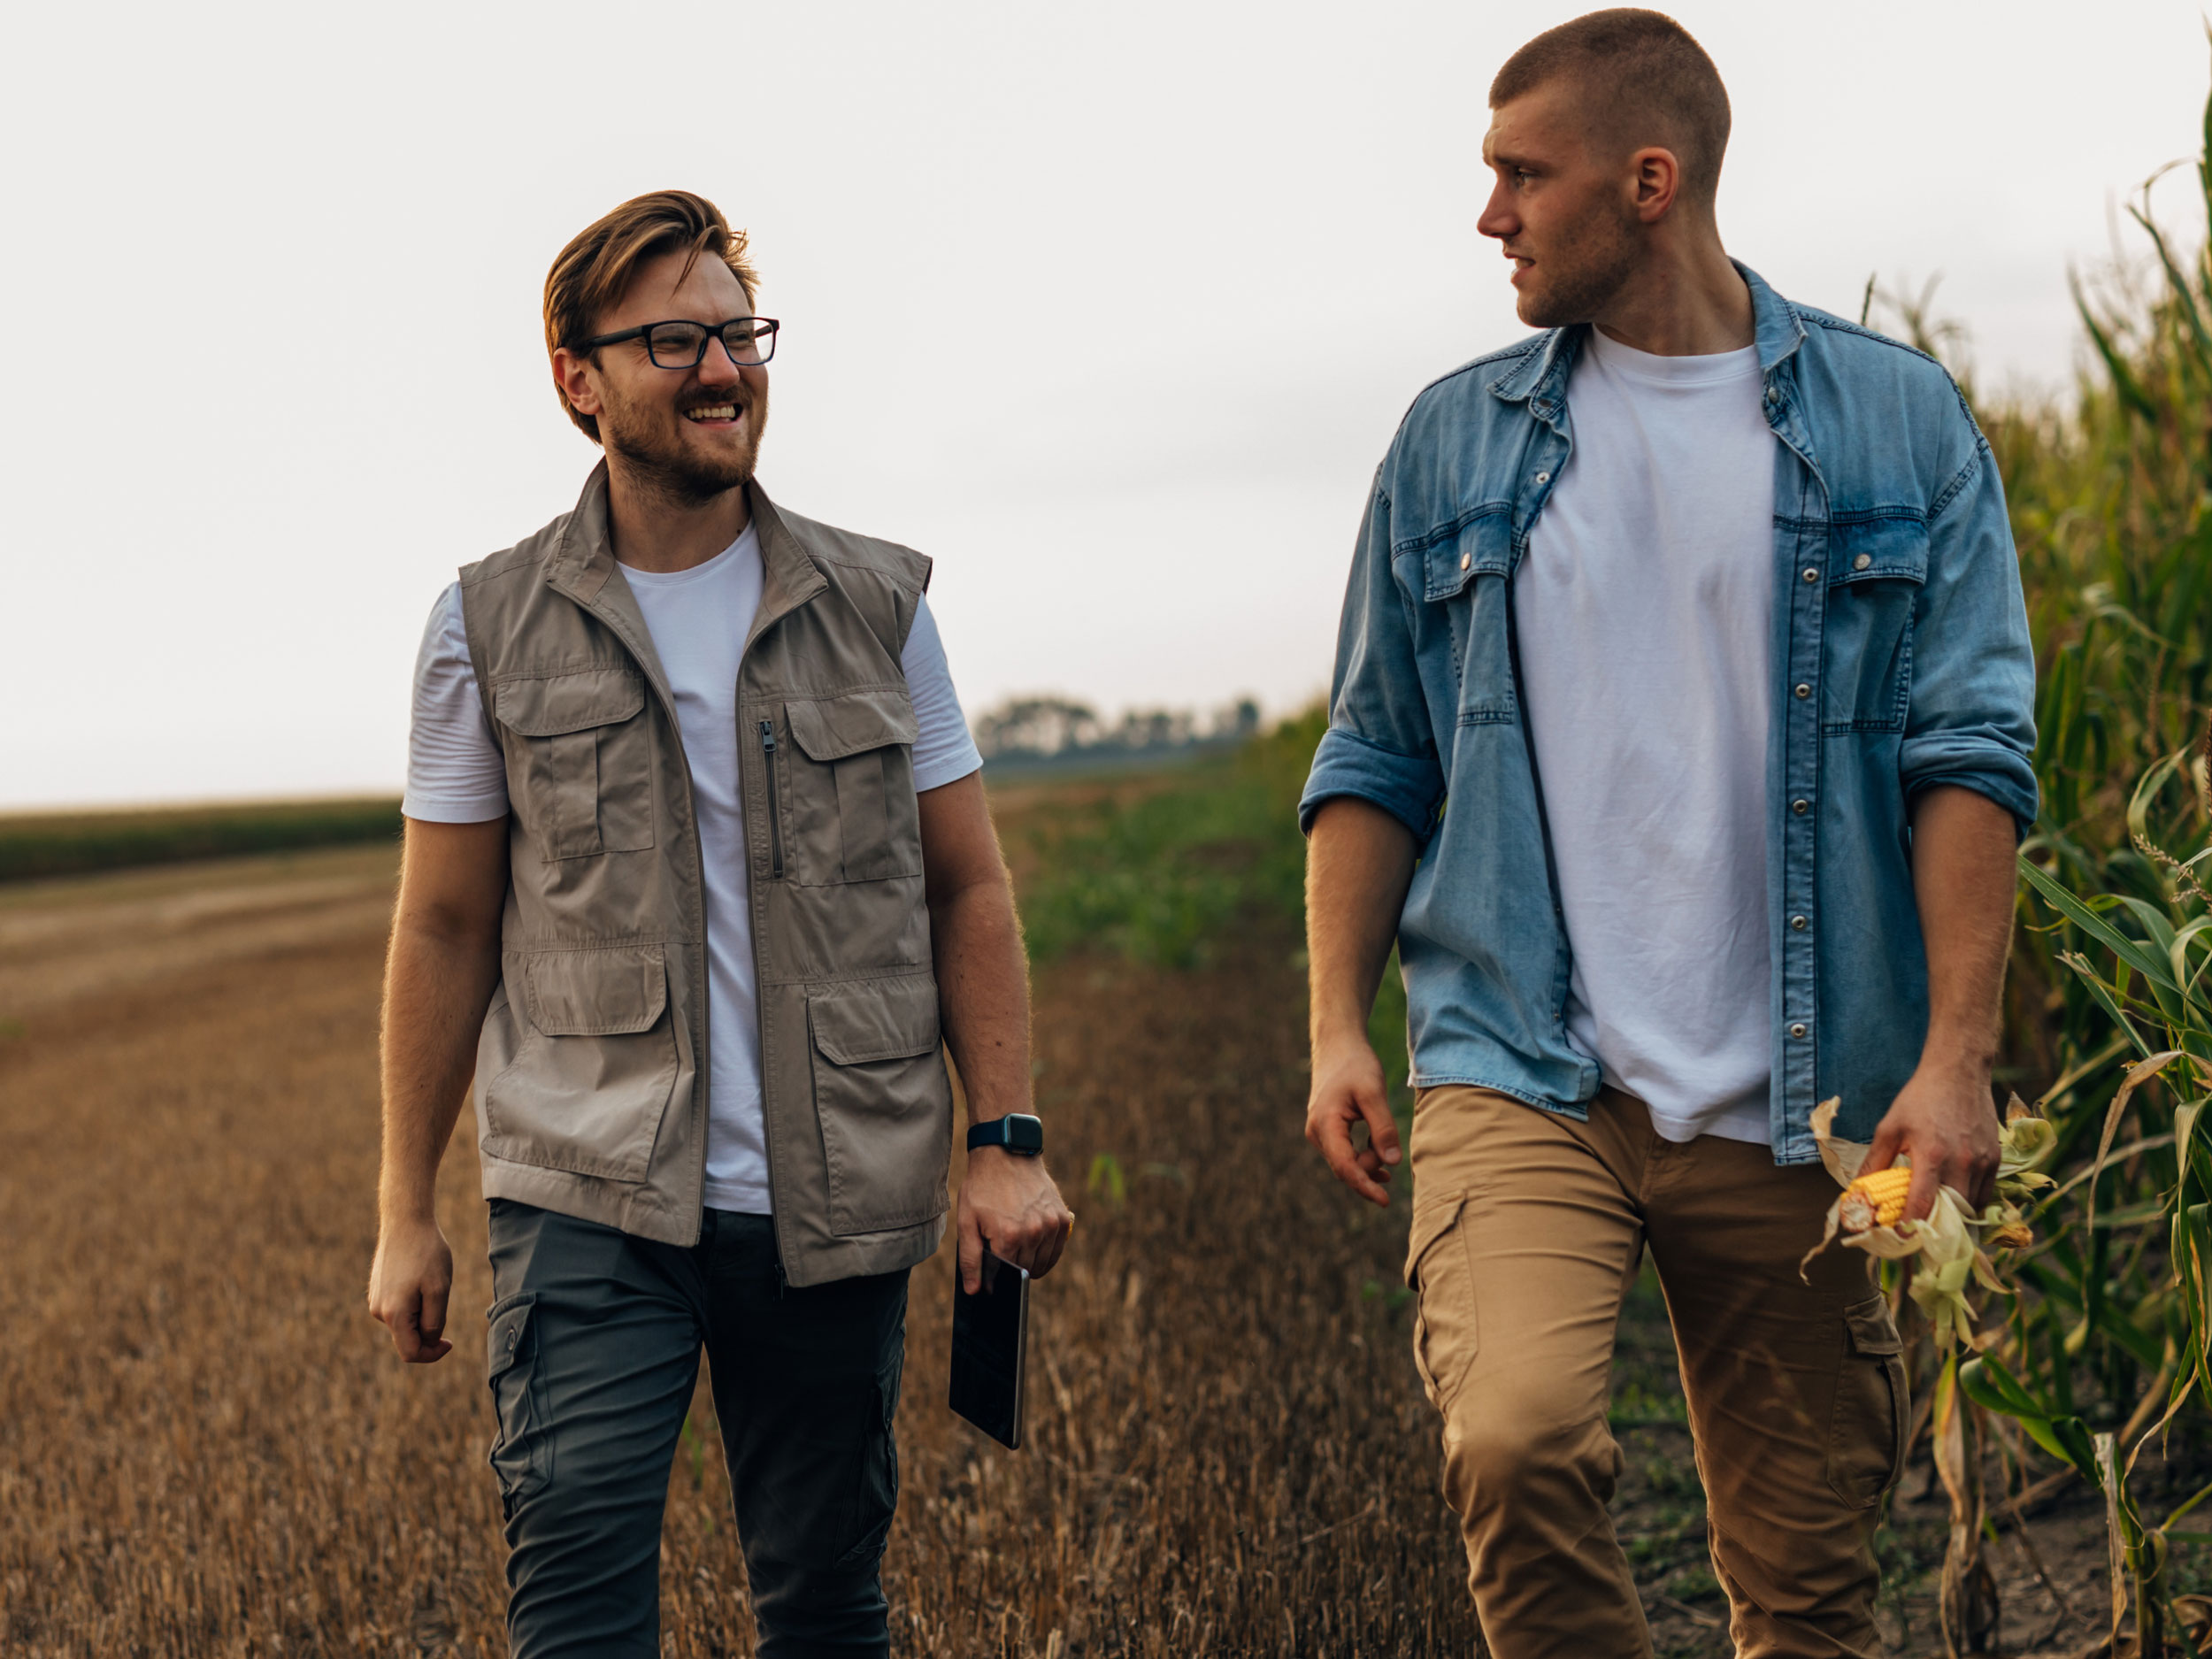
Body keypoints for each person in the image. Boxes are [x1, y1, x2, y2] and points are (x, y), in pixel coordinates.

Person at [1298, 12, 2036, 1655]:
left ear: (1651, 181)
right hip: (1523, 1056)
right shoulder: (1452, 443)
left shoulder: (1895, 429)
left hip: (1817, 1088)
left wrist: (1959, 1054)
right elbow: (1377, 753)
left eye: (1519, 175)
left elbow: (1968, 752)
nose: (1489, 215)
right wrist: (1341, 1025)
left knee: (1810, 1587)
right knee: (1519, 1438)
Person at [366, 189, 1072, 1658]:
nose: (722, 370)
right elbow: (440, 926)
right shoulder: (481, 627)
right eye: (673, 339)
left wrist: (1001, 1140)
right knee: (573, 1605)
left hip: (831, 1197)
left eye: (740, 333)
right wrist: (403, 1206)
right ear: (581, 382)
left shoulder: (879, 608)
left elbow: (968, 886)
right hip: (584, 1191)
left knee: (823, 1608)